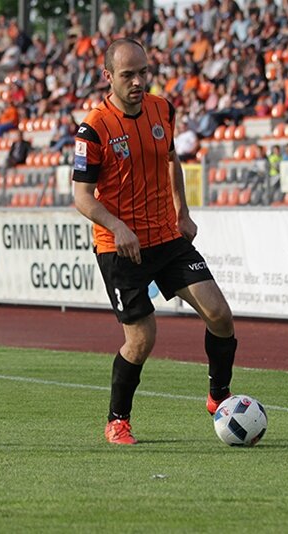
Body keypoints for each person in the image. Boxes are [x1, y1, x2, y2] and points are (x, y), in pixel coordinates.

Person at [72, 39, 238, 445]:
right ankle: (117, 420)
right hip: (120, 247)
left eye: (143, 72)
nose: (138, 81)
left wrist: (183, 211)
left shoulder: (162, 109)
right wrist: (117, 227)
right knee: (142, 338)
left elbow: (171, 159)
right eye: (128, 75)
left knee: (219, 314)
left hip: (165, 235)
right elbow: (82, 196)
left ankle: (219, 396)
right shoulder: (93, 128)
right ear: (108, 76)